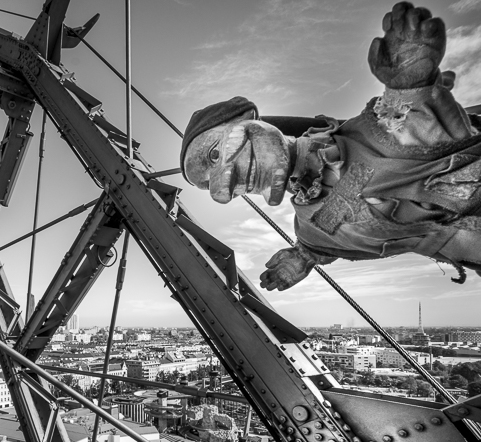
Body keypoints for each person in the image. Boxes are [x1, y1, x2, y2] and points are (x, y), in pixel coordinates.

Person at [181, 2, 481, 291]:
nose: (225, 186)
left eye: (215, 155)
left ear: (247, 119)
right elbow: (333, 225)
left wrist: (409, 84)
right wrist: (305, 256)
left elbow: (403, 124)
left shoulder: (367, 136)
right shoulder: (312, 217)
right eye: (214, 187)